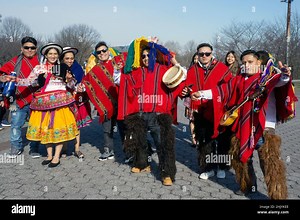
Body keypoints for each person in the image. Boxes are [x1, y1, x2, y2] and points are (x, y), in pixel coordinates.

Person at [191, 49, 297, 199]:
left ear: (259, 62)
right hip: (243, 127)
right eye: (244, 63)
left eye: (250, 62)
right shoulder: (239, 79)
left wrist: (286, 74)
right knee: (243, 160)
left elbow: (282, 81)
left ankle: (277, 196)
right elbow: (221, 90)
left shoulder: (268, 77)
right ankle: (248, 186)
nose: (246, 65)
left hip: (264, 128)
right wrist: (201, 93)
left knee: (269, 164)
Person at [118, 37, 184, 186]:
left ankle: (167, 173)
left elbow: (180, 76)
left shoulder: (163, 70)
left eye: (149, 55)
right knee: (139, 142)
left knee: (163, 144)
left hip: (158, 114)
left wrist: (157, 46)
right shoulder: (135, 71)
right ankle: (142, 164)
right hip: (139, 114)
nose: (146, 58)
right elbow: (124, 74)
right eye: (143, 56)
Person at [17, 43, 79, 167]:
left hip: (60, 103)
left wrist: (69, 79)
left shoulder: (63, 67)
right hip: (43, 103)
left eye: (55, 54)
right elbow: (30, 82)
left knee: (58, 128)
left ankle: (56, 156)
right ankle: (49, 155)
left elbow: (71, 86)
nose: (53, 56)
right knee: (46, 129)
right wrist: (14, 80)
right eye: (50, 53)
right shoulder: (39, 68)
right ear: (45, 54)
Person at [181, 43, 233, 180]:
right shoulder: (192, 70)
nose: (204, 56)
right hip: (200, 111)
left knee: (222, 141)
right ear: (197, 55)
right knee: (204, 141)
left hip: (219, 110)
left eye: (207, 54)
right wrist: (185, 91)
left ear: (212, 54)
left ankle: (222, 166)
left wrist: (205, 94)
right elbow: (187, 86)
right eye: (201, 54)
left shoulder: (222, 68)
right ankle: (208, 168)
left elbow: (228, 88)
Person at [82, 41, 126, 161]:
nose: (102, 53)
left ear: (108, 50)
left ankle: (129, 151)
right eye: (99, 52)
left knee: (124, 128)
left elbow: (134, 57)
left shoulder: (118, 61)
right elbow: (86, 82)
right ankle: (108, 150)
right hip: (106, 105)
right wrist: (79, 88)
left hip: (122, 102)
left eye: (104, 50)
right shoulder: (95, 70)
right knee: (107, 129)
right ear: (96, 55)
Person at [0, 36, 42, 158]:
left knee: (35, 126)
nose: (29, 50)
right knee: (16, 125)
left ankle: (34, 148)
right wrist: (3, 78)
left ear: (36, 48)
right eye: (26, 47)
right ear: (21, 48)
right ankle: (15, 147)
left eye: (32, 48)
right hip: (18, 99)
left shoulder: (41, 62)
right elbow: (2, 73)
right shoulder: (15, 62)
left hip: (36, 99)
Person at [60, 47, 92, 159]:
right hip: (62, 102)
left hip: (75, 101)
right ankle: (63, 148)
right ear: (62, 59)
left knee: (76, 125)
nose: (70, 60)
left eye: (72, 58)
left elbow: (82, 82)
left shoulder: (78, 69)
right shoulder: (58, 69)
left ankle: (77, 149)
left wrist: (80, 88)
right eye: (67, 58)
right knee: (64, 124)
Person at [183, 52, 199, 148]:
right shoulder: (190, 71)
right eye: (195, 58)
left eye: (198, 58)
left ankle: (199, 137)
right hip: (190, 99)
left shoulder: (204, 71)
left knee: (198, 119)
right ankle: (194, 139)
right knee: (191, 119)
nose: (196, 60)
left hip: (200, 99)